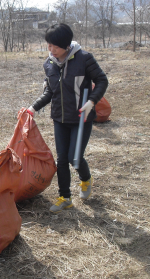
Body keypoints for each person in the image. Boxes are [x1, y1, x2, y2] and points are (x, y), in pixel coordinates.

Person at [26, 23, 108, 213]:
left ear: (66, 44)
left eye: (55, 46)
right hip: (60, 119)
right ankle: (65, 197)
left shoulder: (84, 59)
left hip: (81, 118)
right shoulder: (49, 64)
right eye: (49, 45)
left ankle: (86, 179)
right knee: (62, 159)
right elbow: (50, 93)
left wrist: (92, 102)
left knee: (75, 158)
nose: (51, 49)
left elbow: (102, 80)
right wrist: (33, 107)